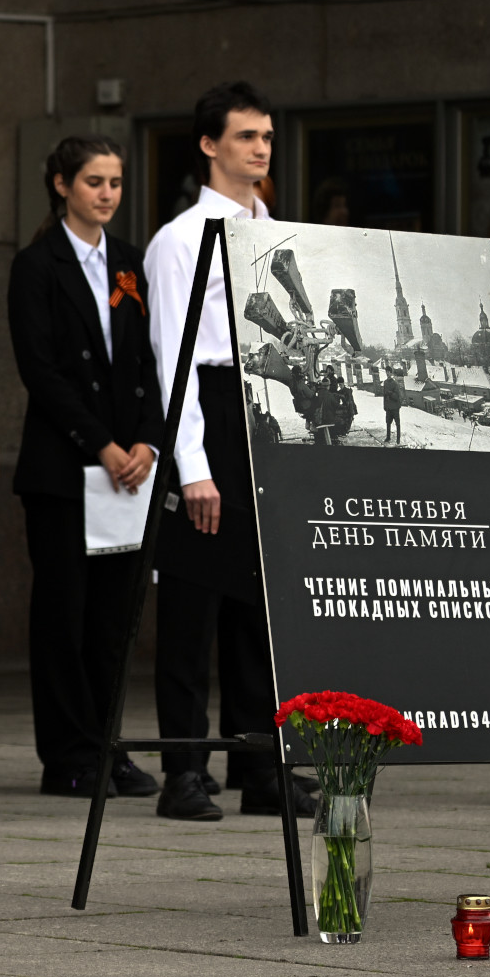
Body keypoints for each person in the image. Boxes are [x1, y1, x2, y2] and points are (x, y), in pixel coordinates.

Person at [144, 82, 315, 823]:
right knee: (191, 603)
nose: (260, 148)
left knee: (261, 605)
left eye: (267, 137)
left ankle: (259, 764)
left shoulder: (278, 234)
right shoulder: (180, 239)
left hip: (269, 409)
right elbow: (170, 361)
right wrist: (194, 466)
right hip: (209, 409)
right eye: (246, 136)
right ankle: (184, 770)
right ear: (210, 144)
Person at [8, 136, 164, 800]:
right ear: (61, 184)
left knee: (111, 620)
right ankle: (66, 755)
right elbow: (40, 370)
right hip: (64, 470)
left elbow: (152, 361)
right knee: (64, 617)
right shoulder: (36, 265)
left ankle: (108, 747)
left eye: (116, 182)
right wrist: (101, 443)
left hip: (127, 470)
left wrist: (149, 443)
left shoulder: (129, 262)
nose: (107, 194)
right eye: (94, 181)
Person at [383, 371, 403, 444]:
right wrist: (384, 405)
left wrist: (390, 393)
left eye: (389, 372)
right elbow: (384, 396)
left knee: (397, 423)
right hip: (388, 407)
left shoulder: (395, 384)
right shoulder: (385, 382)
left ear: (391, 373)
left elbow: (397, 397)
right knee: (388, 422)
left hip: (395, 407)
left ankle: (398, 440)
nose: (387, 374)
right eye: (386, 372)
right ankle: (388, 437)